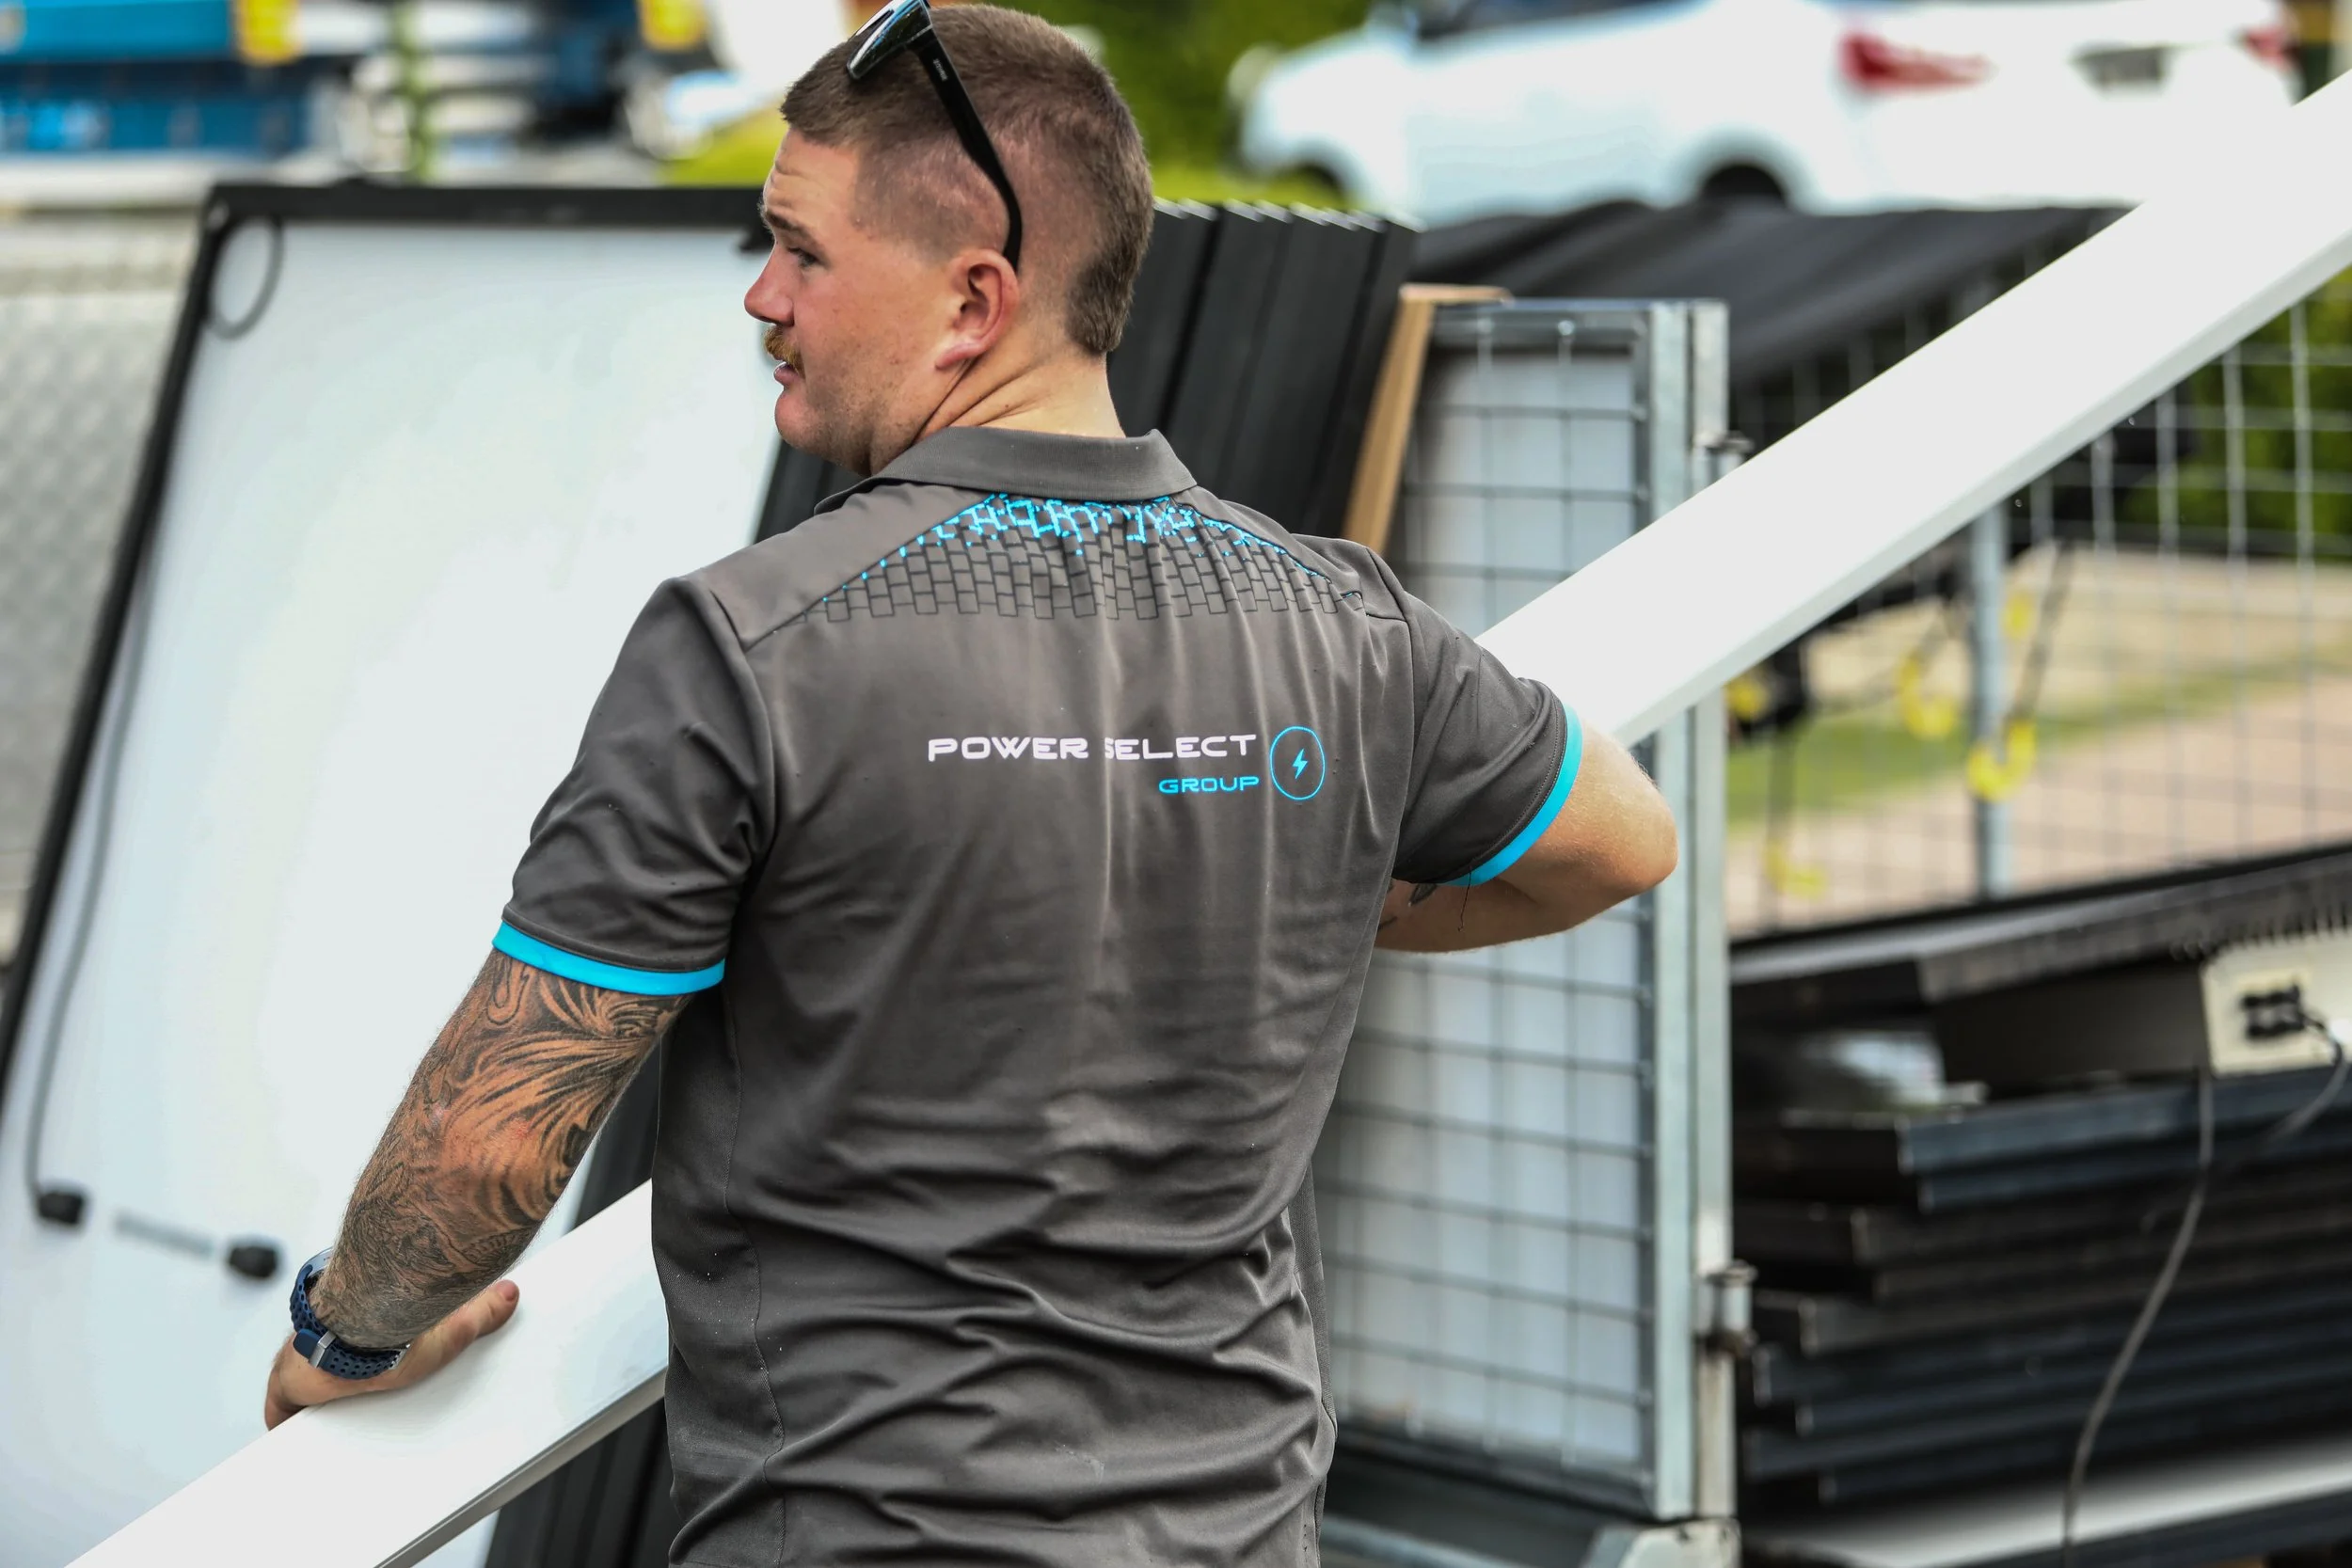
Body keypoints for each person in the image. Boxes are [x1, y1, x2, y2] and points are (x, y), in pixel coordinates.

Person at [260, 5, 1679, 1564]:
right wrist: (1311, 894)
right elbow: (1618, 839)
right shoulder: (1344, 628)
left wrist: (345, 1335)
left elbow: (493, 1144)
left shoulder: (751, 647)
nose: (764, 294)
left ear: (972, 300)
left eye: (801, 251)